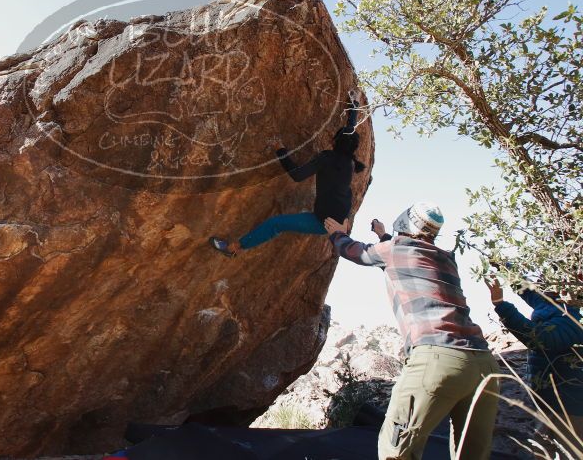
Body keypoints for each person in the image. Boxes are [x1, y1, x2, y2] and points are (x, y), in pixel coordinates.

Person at [324, 203, 499, 460]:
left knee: (397, 450)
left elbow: (355, 252)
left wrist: (337, 233)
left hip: (438, 359)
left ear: (406, 221)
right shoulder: (446, 258)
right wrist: (383, 236)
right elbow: (408, 260)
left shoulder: (396, 249)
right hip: (484, 365)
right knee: (472, 454)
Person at [209, 90, 366, 257]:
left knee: (276, 224)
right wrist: (354, 104)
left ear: (334, 141)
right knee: (282, 222)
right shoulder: (350, 162)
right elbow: (350, 130)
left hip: (323, 222)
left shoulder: (326, 158)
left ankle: (233, 249)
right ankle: (341, 234)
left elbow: (297, 176)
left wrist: (281, 151)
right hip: (340, 216)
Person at [485, 275, 583, 449]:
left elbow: (540, 339)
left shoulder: (575, 315)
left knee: (570, 449)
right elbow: (532, 293)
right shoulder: (558, 303)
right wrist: (503, 267)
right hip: (549, 399)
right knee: (541, 448)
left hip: (570, 405)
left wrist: (501, 305)